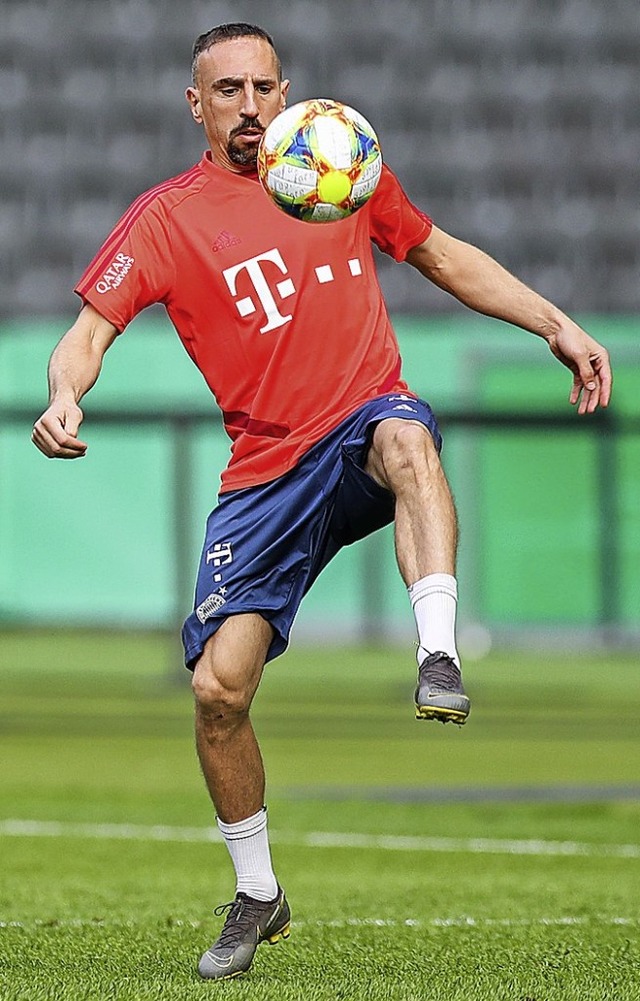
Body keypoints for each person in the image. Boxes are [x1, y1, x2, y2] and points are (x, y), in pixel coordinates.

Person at [32, 21, 612, 982]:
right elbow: (91, 328)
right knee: (219, 689)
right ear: (197, 104)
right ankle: (258, 891)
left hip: (360, 425)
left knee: (409, 437)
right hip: (263, 472)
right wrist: (65, 392)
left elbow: (441, 254)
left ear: (284, 88)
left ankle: (436, 652)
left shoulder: (340, 160)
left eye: (264, 85)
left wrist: (555, 321)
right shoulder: (168, 218)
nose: (251, 106)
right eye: (229, 91)